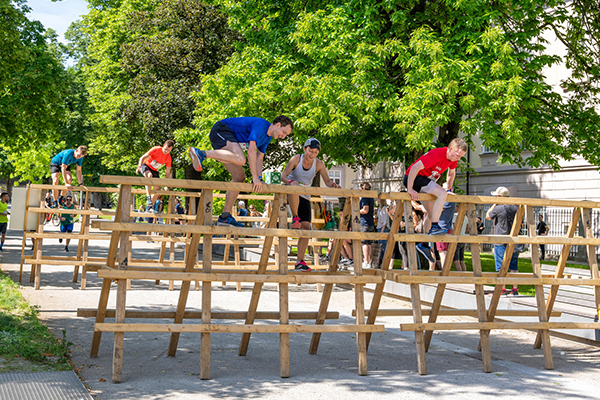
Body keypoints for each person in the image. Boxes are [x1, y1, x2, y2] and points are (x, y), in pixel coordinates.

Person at [188, 115, 293, 227]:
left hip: (229, 141)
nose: (283, 136)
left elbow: (259, 158)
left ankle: (224, 217)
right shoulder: (261, 125)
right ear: (277, 125)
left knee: (239, 177)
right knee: (240, 158)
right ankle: (202, 154)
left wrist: (260, 179)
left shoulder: (267, 138)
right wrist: (254, 178)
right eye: (284, 132)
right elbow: (251, 151)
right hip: (221, 130)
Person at [403, 138, 467, 263]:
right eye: (457, 155)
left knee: (431, 214)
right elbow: (415, 167)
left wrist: (449, 189)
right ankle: (435, 226)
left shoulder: (452, 160)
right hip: (414, 178)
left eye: (461, 157)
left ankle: (424, 244)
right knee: (441, 193)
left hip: (425, 181)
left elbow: (451, 173)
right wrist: (410, 189)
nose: (458, 159)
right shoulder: (437, 154)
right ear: (450, 149)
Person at [281, 138, 341, 271]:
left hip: (304, 195)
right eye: (310, 151)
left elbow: (328, 182)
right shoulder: (296, 159)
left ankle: (299, 261)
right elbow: (283, 176)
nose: (312, 154)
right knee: (295, 188)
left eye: (315, 152)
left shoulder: (319, 164)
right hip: (289, 191)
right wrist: (291, 182)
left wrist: (334, 186)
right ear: (304, 149)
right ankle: (295, 217)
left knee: (306, 228)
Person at [486, 186, 520, 296]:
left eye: (496, 196)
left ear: (500, 197)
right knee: (513, 266)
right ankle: (515, 289)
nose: (495, 198)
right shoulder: (516, 207)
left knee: (501, 265)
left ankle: (502, 289)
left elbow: (488, 216)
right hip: (513, 239)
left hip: (500, 239)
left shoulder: (498, 208)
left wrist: (494, 204)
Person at [136, 140, 173, 207]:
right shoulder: (156, 149)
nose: (166, 151)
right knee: (149, 175)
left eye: (169, 150)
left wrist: (166, 185)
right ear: (163, 146)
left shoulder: (168, 157)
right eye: (165, 149)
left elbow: (168, 172)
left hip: (154, 170)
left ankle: (149, 207)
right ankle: (148, 197)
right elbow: (142, 157)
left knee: (158, 189)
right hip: (145, 165)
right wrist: (139, 166)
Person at [358, 182, 375, 268]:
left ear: (363, 188)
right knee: (369, 243)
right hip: (370, 222)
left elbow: (365, 210)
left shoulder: (365, 197)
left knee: (364, 243)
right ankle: (369, 261)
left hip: (364, 222)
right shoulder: (371, 196)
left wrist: (356, 211)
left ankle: (366, 261)